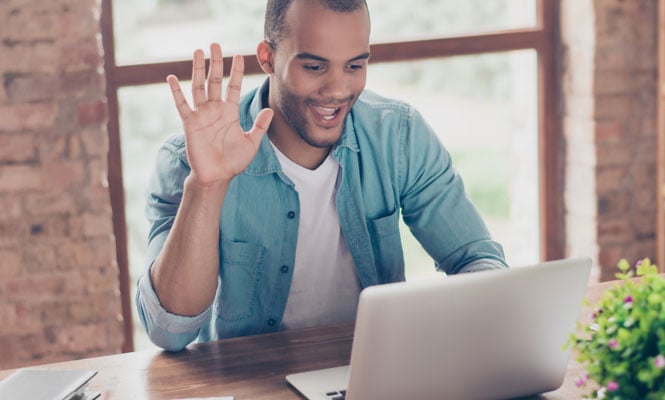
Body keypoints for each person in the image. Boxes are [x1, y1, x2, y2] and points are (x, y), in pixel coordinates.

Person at [136, 0, 507, 352]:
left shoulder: (398, 135)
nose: (338, 90)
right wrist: (207, 187)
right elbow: (169, 331)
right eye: (314, 67)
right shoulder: (189, 160)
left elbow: (478, 261)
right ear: (268, 58)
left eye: (354, 66)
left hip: (372, 375)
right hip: (252, 384)